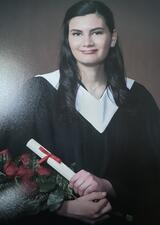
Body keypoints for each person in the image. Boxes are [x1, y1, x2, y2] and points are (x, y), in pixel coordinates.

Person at [1, 0, 160, 224]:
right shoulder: (39, 92)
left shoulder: (137, 98)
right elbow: (7, 170)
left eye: (96, 32)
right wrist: (63, 207)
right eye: (77, 33)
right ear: (68, 39)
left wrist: (109, 186)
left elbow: (153, 172)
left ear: (112, 37)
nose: (87, 42)